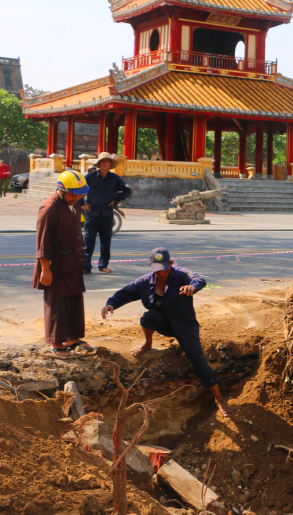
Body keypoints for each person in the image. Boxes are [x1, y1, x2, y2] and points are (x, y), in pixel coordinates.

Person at [101, 248, 231, 418]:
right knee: (148, 318)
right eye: (157, 269)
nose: (161, 273)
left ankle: (219, 399)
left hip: (185, 325)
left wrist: (192, 286)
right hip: (164, 323)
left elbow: (199, 279)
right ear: (150, 266)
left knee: (198, 360)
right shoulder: (145, 282)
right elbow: (126, 292)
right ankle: (147, 343)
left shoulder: (182, 274)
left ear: (171, 263)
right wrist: (111, 304)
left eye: (164, 268)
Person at [34, 169, 92, 357]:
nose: (76, 197)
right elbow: (43, 241)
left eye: (79, 194)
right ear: (61, 190)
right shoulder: (49, 207)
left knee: (74, 299)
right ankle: (56, 342)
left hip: (73, 261)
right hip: (55, 264)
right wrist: (45, 269)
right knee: (57, 302)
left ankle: (73, 338)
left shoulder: (75, 204)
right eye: (72, 194)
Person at [81, 153, 132, 274]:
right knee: (88, 241)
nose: (104, 163)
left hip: (107, 215)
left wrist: (117, 199)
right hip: (92, 214)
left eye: (107, 161)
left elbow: (127, 190)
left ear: (110, 163)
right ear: (99, 163)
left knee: (105, 242)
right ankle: (86, 266)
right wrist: (81, 203)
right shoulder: (90, 177)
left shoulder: (115, 178)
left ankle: (103, 265)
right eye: (102, 161)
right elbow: (77, 188)